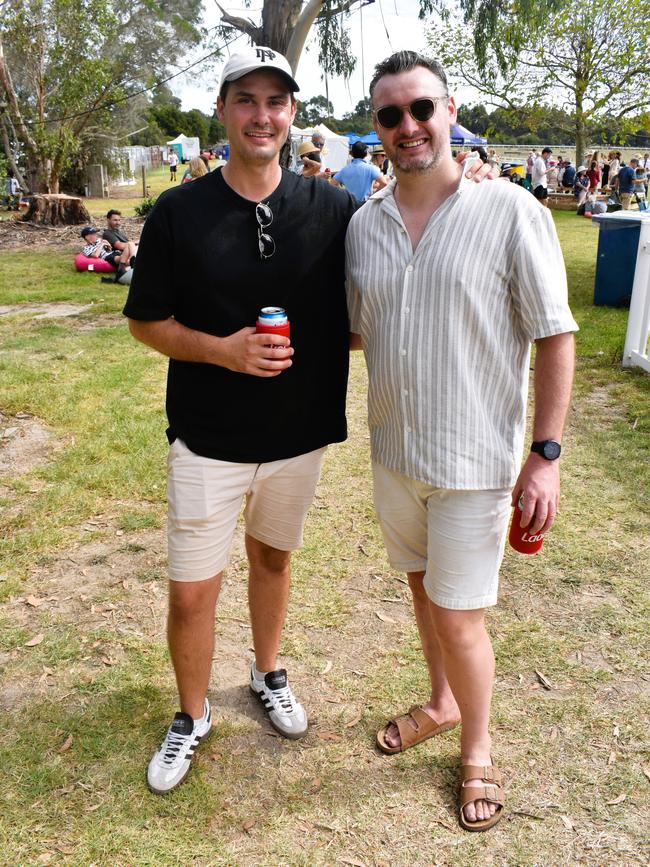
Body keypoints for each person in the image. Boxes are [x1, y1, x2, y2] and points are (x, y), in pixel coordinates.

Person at [345, 50, 577, 833]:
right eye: (390, 115)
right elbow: (354, 328)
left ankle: (476, 747)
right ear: (375, 128)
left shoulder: (511, 211)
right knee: (421, 588)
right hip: (394, 454)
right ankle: (442, 703)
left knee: (461, 616)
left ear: (449, 111)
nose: (408, 126)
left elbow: (555, 335)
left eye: (420, 109)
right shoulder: (364, 224)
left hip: (476, 462)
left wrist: (544, 456)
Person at [123, 45, 360, 796]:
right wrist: (222, 352)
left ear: (293, 115)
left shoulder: (332, 207)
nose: (264, 115)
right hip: (207, 436)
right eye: (247, 99)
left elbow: (368, 300)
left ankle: (266, 672)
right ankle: (191, 716)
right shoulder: (178, 211)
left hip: (297, 436)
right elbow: (146, 321)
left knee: (274, 561)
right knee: (192, 590)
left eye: (277, 101)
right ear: (222, 110)